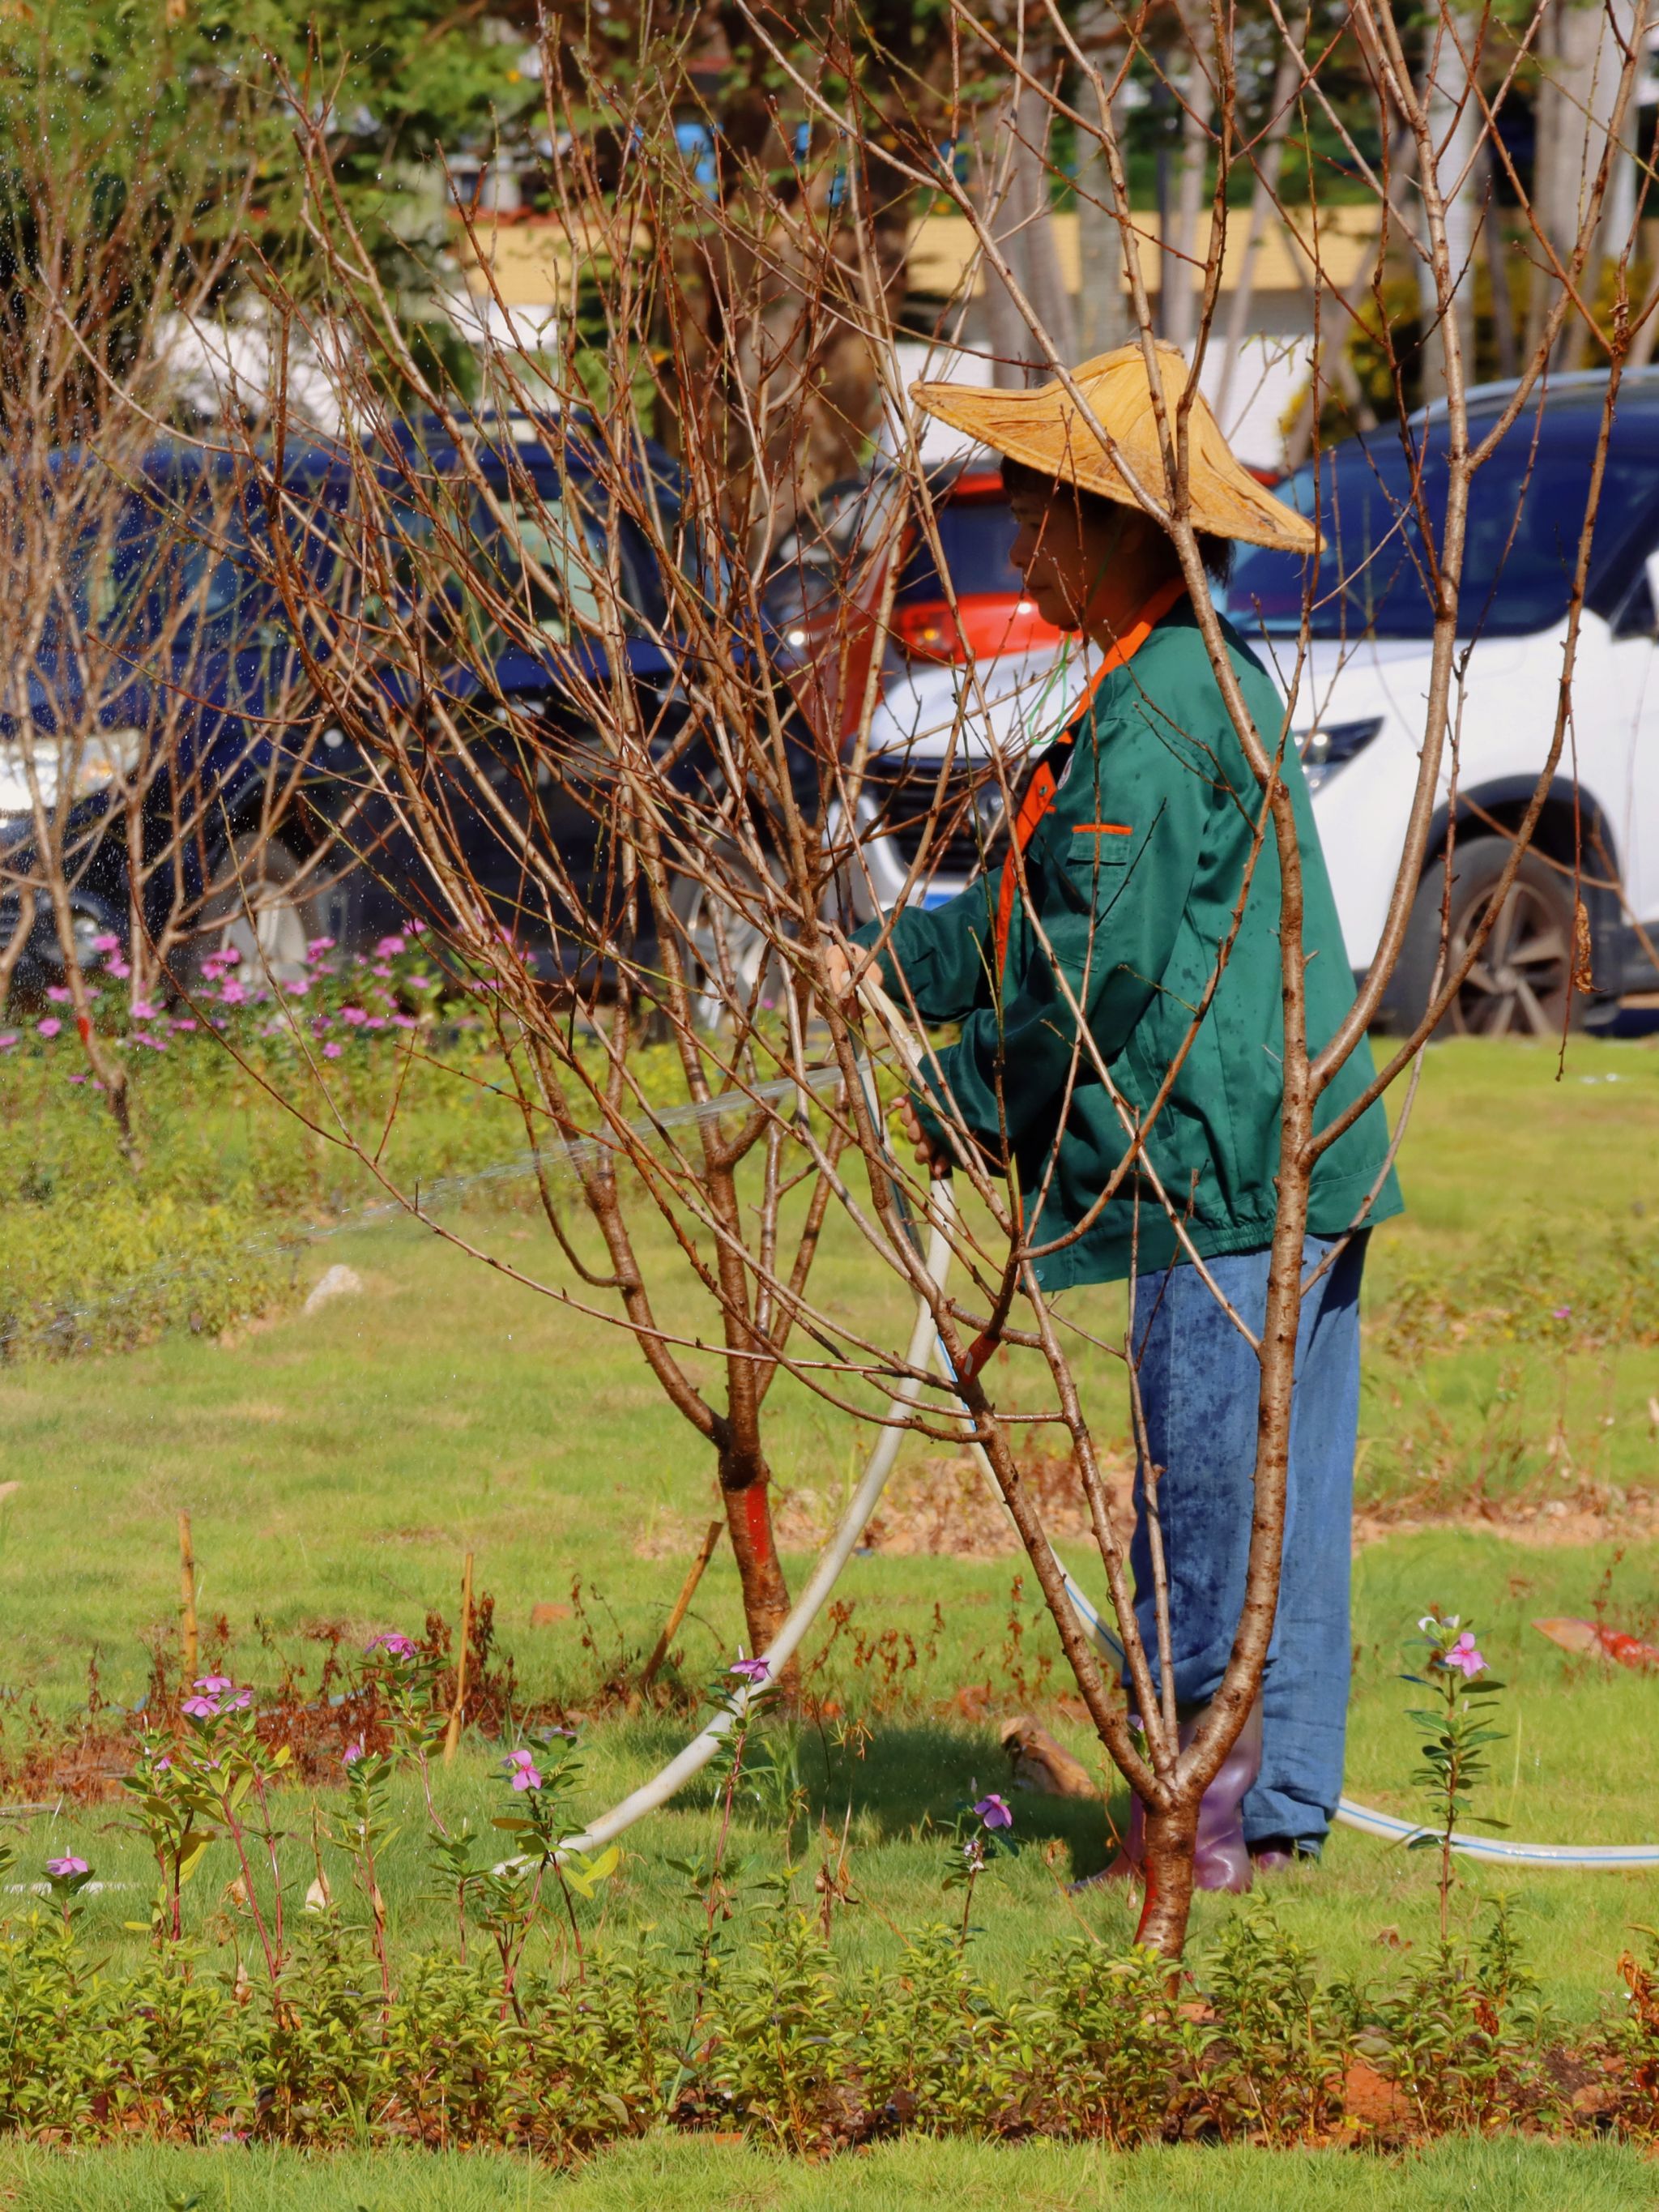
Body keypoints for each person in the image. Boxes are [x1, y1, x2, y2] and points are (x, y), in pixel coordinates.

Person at [826, 344, 1402, 1882]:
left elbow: (1091, 979)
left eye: (1035, 509)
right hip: (1297, 1160)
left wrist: (953, 1096)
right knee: (1281, 1513)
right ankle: (1267, 1828)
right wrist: (890, 962)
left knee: (1210, 1515)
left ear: (1126, 527)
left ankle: (1196, 1841)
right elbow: (1044, 914)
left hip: (1215, 1180)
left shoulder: (1152, 718)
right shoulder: (1175, 674)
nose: (1013, 539)